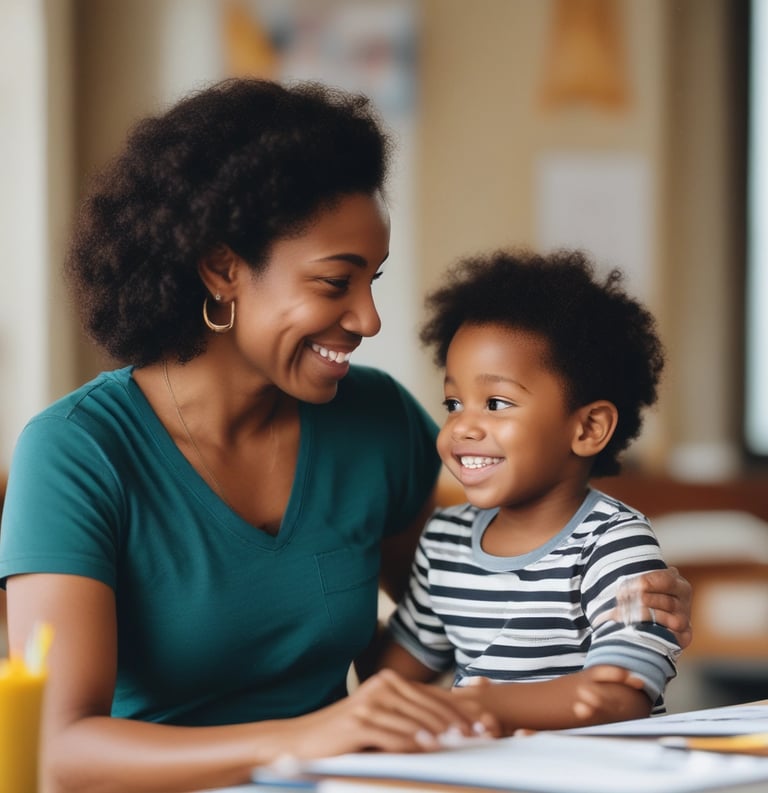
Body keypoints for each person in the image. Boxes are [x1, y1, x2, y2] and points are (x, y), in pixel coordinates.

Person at [0, 79, 691, 793]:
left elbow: (473, 592)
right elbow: (62, 751)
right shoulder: (78, 452)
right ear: (222, 268)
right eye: (336, 283)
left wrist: (630, 595)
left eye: (373, 281)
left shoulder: (378, 419)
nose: (369, 319)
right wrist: (310, 736)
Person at [378, 249, 681, 736]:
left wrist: (483, 706)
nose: (463, 427)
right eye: (454, 403)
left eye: (496, 403)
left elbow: (621, 696)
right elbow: (389, 677)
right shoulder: (445, 540)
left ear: (588, 428)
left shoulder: (613, 544)